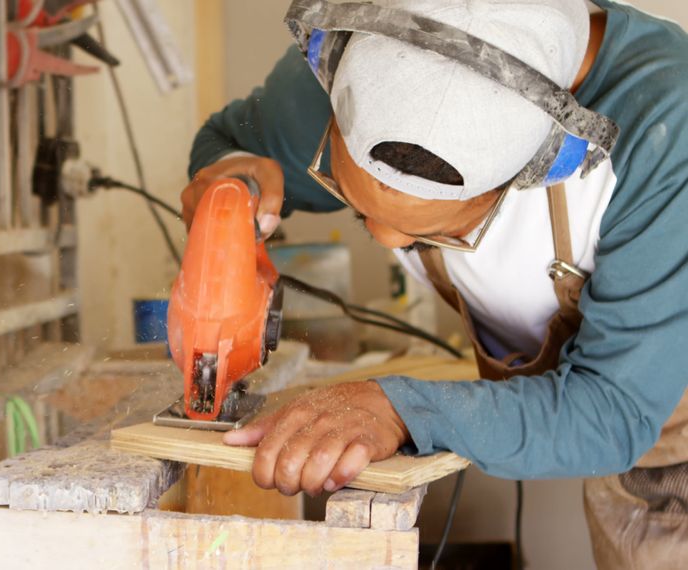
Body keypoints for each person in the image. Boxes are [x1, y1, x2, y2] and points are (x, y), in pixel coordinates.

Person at [183, 0, 688, 566]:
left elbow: (612, 412)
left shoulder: (665, 127)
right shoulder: (354, 60)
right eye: (355, 204)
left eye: (428, 236)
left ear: (544, 165)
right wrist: (230, 186)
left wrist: (400, 409)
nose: (386, 241)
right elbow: (226, 143)